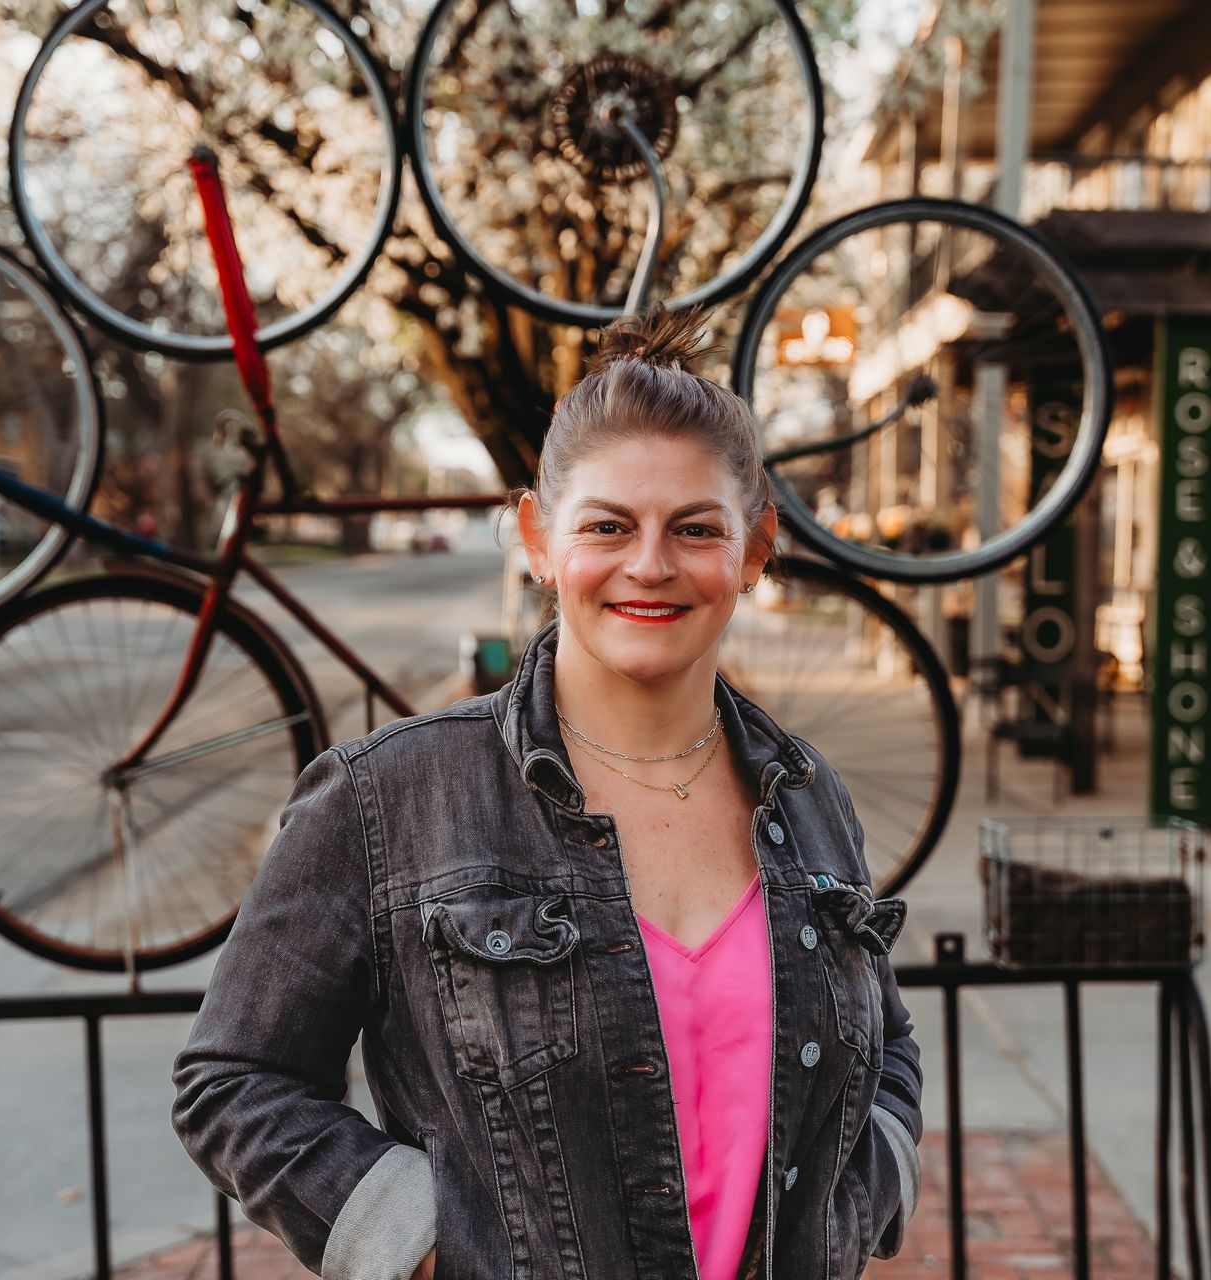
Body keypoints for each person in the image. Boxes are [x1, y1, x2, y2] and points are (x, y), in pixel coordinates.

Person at [172, 304, 924, 1280]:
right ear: (537, 534)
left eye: (695, 528)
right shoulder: (388, 796)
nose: (649, 564)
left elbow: (887, 1040)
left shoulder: (807, 795)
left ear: (754, 547)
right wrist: (430, 1244)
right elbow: (235, 1076)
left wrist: (863, 1194)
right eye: (607, 525)